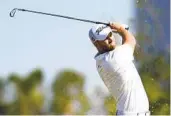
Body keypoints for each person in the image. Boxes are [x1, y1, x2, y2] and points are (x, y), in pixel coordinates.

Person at [88, 22, 150, 116]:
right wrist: (121, 29)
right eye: (104, 38)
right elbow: (131, 40)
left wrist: (122, 31)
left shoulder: (101, 61)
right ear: (96, 43)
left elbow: (124, 46)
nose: (110, 39)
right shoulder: (114, 58)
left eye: (110, 34)